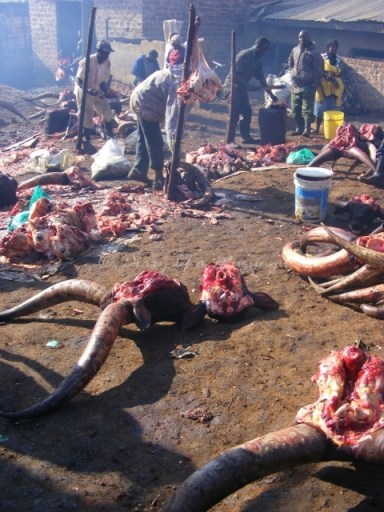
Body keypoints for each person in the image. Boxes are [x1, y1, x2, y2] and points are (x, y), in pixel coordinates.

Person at [128, 68, 181, 190]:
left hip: (142, 98)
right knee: (155, 141)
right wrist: (174, 146)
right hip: (145, 104)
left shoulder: (180, 75)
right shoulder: (177, 84)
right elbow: (172, 117)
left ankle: (138, 170)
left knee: (144, 138)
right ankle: (158, 177)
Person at [223, 37, 278, 144]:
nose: (265, 52)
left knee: (247, 112)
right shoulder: (244, 55)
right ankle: (229, 141)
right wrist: (248, 85)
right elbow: (235, 74)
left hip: (242, 89)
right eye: (264, 49)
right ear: (258, 47)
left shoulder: (257, 60)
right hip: (232, 86)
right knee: (234, 115)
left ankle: (246, 137)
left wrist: (271, 95)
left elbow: (261, 79)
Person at [74, 40, 115, 140]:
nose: (107, 55)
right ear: (99, 51)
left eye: (108, 53)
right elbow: (79, 80)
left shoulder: (107, 63)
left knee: (106, 110)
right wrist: (87, 90)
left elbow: (103, 82)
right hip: (83, 90)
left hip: (96, 90)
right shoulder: (87, 61)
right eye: (105, 53)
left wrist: (106, 91)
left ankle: (110, 135)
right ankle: (86, 137)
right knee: (86, 114)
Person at [288, 30, 323, 137]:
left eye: (304, 37)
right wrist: (292, 74)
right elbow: (290, 63)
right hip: (295, 85)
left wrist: (314, 85)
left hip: (308, 85)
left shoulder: (315, 53)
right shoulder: (295, 50)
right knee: (295, 108)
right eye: (300, 37)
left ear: (309, 39)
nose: (302, 39)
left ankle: (307, 130)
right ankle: (299, 128)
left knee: (307, 109)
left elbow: (318, 71)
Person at [313, 40, 344, 134]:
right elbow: (318, 70)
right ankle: (317, 128)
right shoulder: (322, 57)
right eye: (331, 46)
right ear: (328, 47)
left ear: (337, 48)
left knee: (330, 110)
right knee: (320, 109)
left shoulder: (339, 59)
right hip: (322, 85)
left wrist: (334, 80)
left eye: (335, 47)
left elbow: (341, 72)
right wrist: (327, 76)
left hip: (334, 87)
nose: (332, 48)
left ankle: (328, 129)